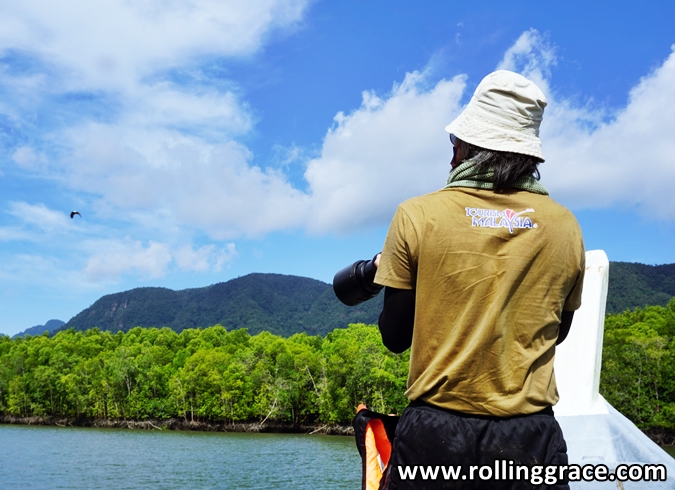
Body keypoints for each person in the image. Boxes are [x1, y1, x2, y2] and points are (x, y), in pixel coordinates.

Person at [372, 70, 585, 489]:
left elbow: (394, 337)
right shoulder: (566, 226)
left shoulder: (417, 214)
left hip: (435, 439)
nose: (451, 156)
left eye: (455, 144)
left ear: (470, 146)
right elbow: (557, 333)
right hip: (530, 442)